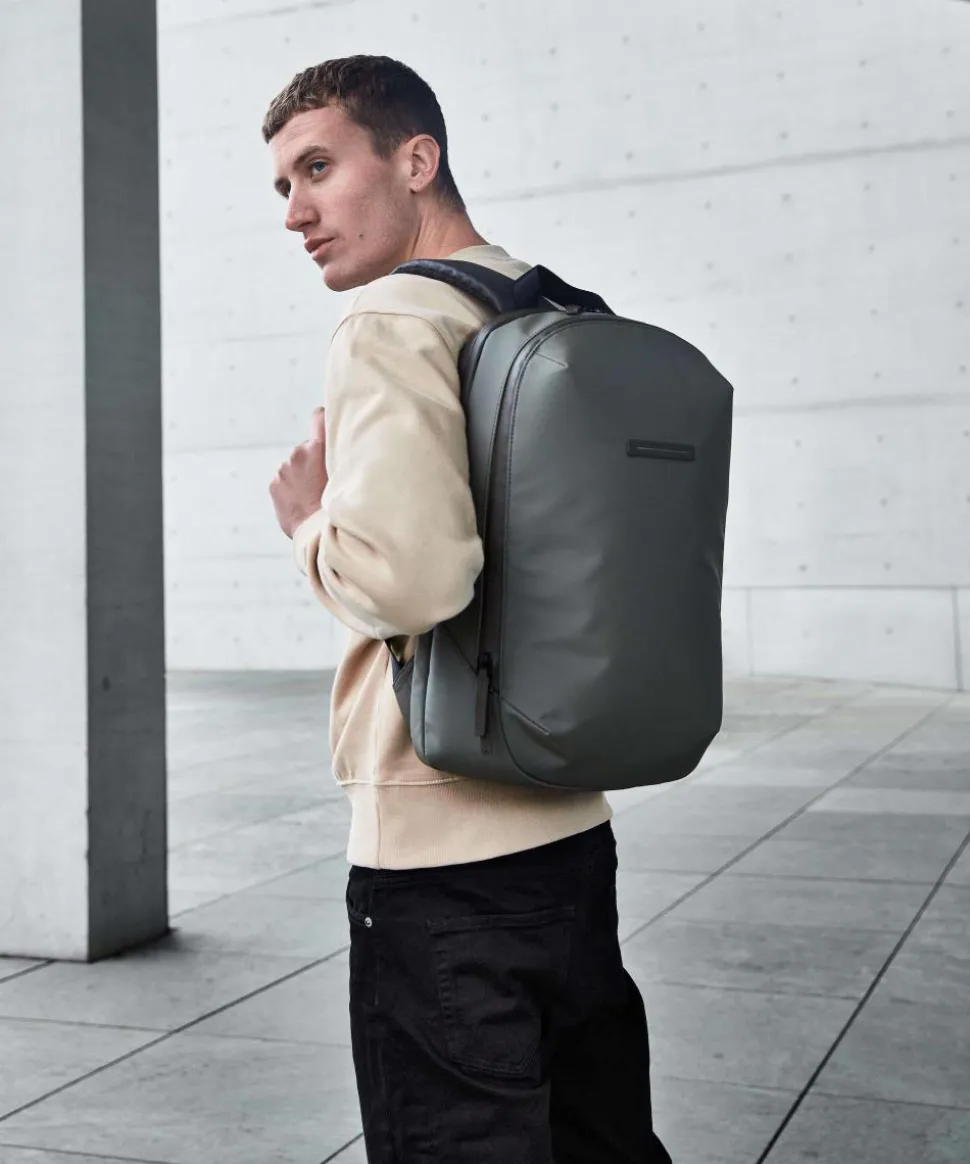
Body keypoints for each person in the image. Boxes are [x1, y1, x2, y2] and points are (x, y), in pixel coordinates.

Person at [264, 54, 673, 1164]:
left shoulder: (395, 318)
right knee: (599, 1140)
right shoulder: (555, 306)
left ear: (416, 160)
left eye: (318, 168)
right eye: (283, 187)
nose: (295, 212)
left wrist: (308, 524)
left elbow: (410, 580)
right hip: (569, 825)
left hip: (438, 847)